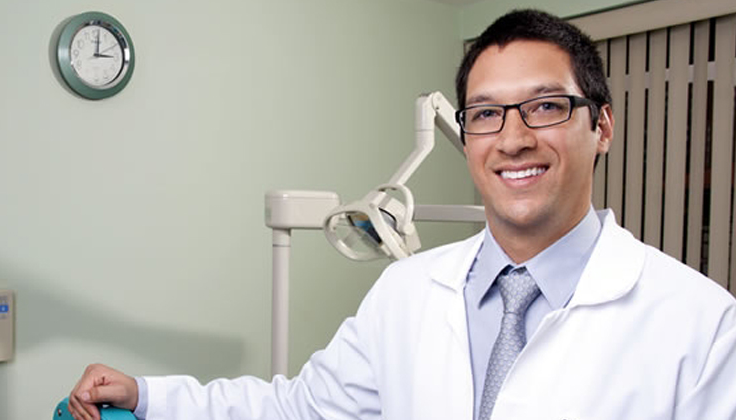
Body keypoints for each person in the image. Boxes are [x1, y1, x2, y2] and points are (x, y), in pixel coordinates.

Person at [68, 9, 736, 420]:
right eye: (485, 114)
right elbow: (302, 410)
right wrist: (151, 396)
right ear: (467, 133)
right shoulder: (408, 292)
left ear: (603, 126)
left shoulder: (701, 326)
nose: (513, 138)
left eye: (546, 106)